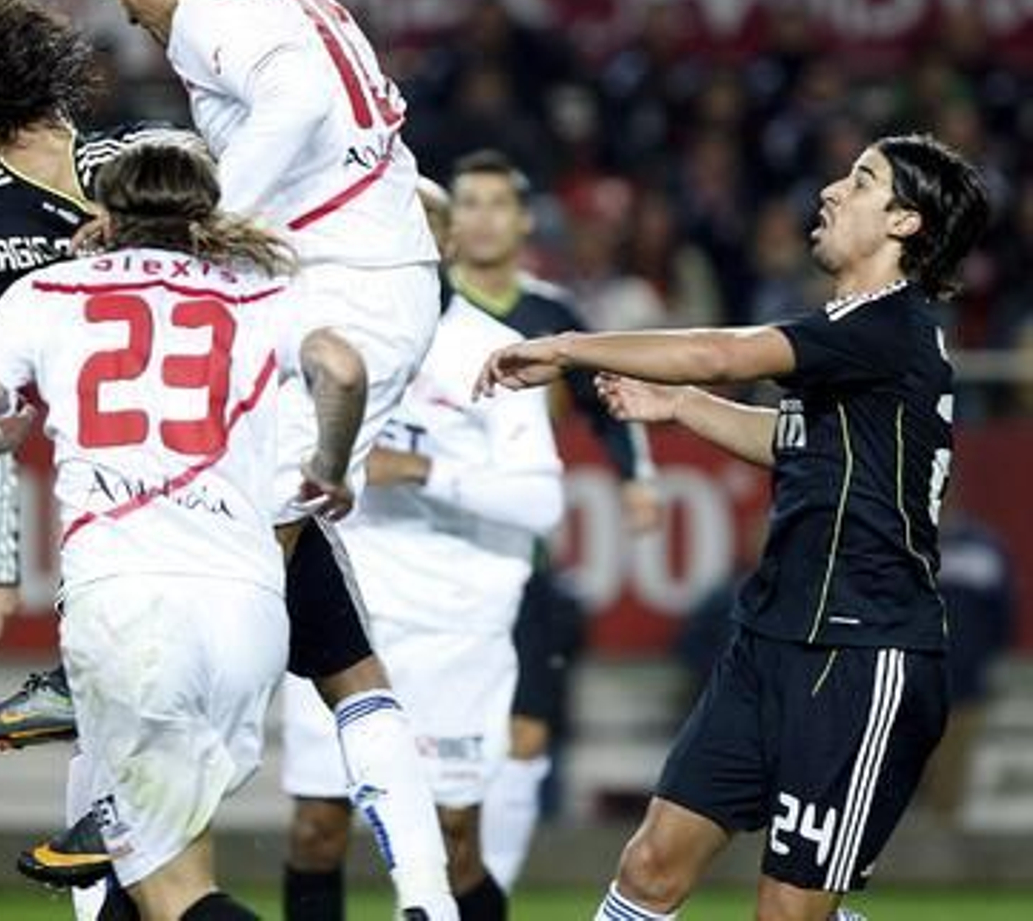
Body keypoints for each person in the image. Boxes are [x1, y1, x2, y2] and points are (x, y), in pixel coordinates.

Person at [474, 134, 990, 921]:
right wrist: (680, 407)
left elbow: (722, 351)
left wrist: (571, 347)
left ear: (905, 223)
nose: (829, 191)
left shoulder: (888, 327)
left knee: (788, 911)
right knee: (650, 865)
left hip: (862, 650)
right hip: (770, 635)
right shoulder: (858, 337)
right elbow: (795, 442)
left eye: (861, 181)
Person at [97, 0, 454, 921]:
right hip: (344, 283)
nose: (144, 23)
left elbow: (295, 106)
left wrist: (196, 227)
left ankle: (166, 773)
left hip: (349, 294)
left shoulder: (213, 9)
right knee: (313, 613)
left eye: (133, 2)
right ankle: (424, 898)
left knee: (237, 558)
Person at [0, 138, 369, 921]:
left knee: (168, 883)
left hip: (127, 606)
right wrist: (329, 466)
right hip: (249, 608)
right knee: (145, 849)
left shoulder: (51, 292)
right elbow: (341, 368)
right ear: (205, 215)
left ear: (105, 212)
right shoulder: (261, 291)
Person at [280, 161, 568, 919]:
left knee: (453, 838)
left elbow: (543, 501)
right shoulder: (321, 338)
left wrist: (424, 468)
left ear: (440, 242)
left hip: (454, 631)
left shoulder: (494, 351)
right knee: (316, 829)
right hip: (345, 620)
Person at [441, 149, 660, 891]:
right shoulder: (420, 306)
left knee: (526, 735)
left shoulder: (552, 315)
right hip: (421, 557)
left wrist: (638, 480)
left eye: (497, 203)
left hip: (520, 553)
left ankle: (486, 894)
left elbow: (611, 401)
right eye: (468, 202)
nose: (482, 217)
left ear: (525, 220)